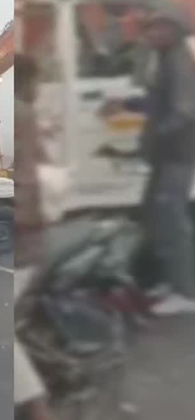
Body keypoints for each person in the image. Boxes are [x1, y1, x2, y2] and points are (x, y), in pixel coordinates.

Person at [99, 6, 195, 315]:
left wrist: (158, 136)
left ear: (172, 31)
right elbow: (155, 103)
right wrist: (124, 103)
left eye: (157, 29)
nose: (150, 34)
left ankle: (187, 292)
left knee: (174, 223)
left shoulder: (178, 61)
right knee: (157, 220)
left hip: (174, 157)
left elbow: (184, 111)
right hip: (164, 158)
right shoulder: (166, 59)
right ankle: (171, 281)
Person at [13, 54, 58, 420]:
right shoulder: (26, 112)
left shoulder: (20, 112)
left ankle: (37, 407)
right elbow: (44, 159)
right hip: (32, 223)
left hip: (24, 226)